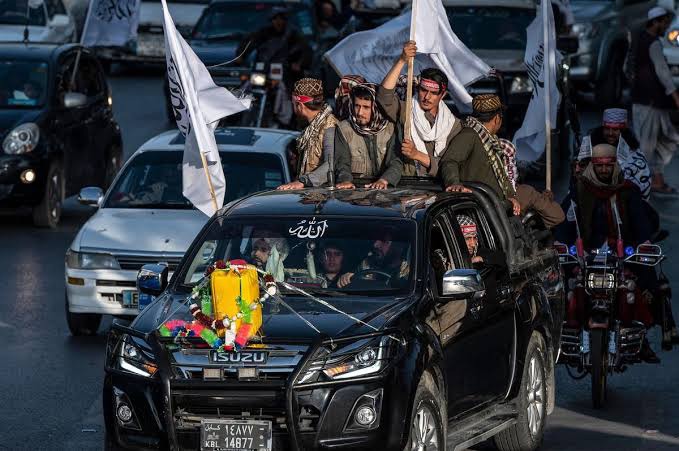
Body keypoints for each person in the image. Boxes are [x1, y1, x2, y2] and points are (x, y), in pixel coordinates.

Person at [376, 41, 462, 178]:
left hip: (440, 185)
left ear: (443, 95)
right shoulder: (406, 110)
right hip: (410, 182)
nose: (427, 97)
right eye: (423, 90)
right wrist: (402, 60)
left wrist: (417, 155)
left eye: (433, 93)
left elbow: (451, 165)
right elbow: (383, 97)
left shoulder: (453, 125)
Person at [440, 94, 520, 215]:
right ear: (497, 118)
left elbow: (502, 176)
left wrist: (511, 196)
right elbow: (449, 161)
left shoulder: (490, 140)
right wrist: (454, 184)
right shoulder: (469, 135)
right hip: (480, 207)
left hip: (495, 206)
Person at [630, 6, 679, 196]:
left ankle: (656, 180)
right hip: (649, 103)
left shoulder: (641, 40)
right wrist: (676, 97)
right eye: (664, 23)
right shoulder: (653, 44)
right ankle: (644, 184)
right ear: (656, 22)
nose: (666, 27)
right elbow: (663, 73)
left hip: (648, 102)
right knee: (649, 145)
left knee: (665, 139)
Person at [334, 79, 403, 189]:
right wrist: (345, 180)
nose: (360, 112)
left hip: (385, 189)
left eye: (366, 107)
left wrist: (384, 180)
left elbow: (395, 161)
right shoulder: (344, 129)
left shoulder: (390, 128)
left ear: (376, 107)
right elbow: (342, 162)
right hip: (356, 189)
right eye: (357, 106)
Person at [278, 78, 338, 190]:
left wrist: (303, 182)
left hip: (322, 197)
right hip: (309, 195)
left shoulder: (330, 126)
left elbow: (331, 165)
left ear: (300, 105)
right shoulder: (311, 128)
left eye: (293, 104)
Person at [579, 108, 651, 200]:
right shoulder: (590, 144)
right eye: (607, 129)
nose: (610, 133)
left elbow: (641, 178)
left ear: (623, 131)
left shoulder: (634, 152)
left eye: (615, 129)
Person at [236, 7, 312, 86]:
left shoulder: (293, 34)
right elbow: (248, 43)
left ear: (285, 20)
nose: (278, 21)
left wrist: (299, 64)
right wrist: (241, 56)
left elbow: (306, 49)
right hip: (264, 70)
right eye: (275, 19)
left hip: (286, 72)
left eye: (281, 19)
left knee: (297, 86)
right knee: (251, 84)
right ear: (271, 20)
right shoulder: (263, 33)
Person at [337, 230, 410, 288]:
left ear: (398, 246)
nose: (375, 245)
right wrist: (347, 278)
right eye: (376, 240)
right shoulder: (368, 262)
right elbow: (357, 283)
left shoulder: (409, 270)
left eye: (383, 241)